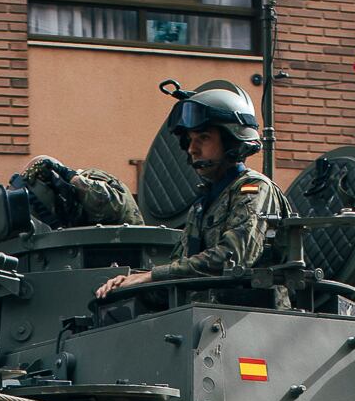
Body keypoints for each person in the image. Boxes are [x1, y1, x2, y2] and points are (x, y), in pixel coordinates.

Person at [92, 84, 286, 300]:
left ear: (232, 140)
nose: (192, 149)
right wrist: (131, 279)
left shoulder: (254, 190)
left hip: (253, 319)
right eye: (190, 141)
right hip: (210, 317)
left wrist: (151, 277)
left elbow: (232, 258)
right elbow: (181, 265)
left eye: (203, 138)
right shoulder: (203, 203)